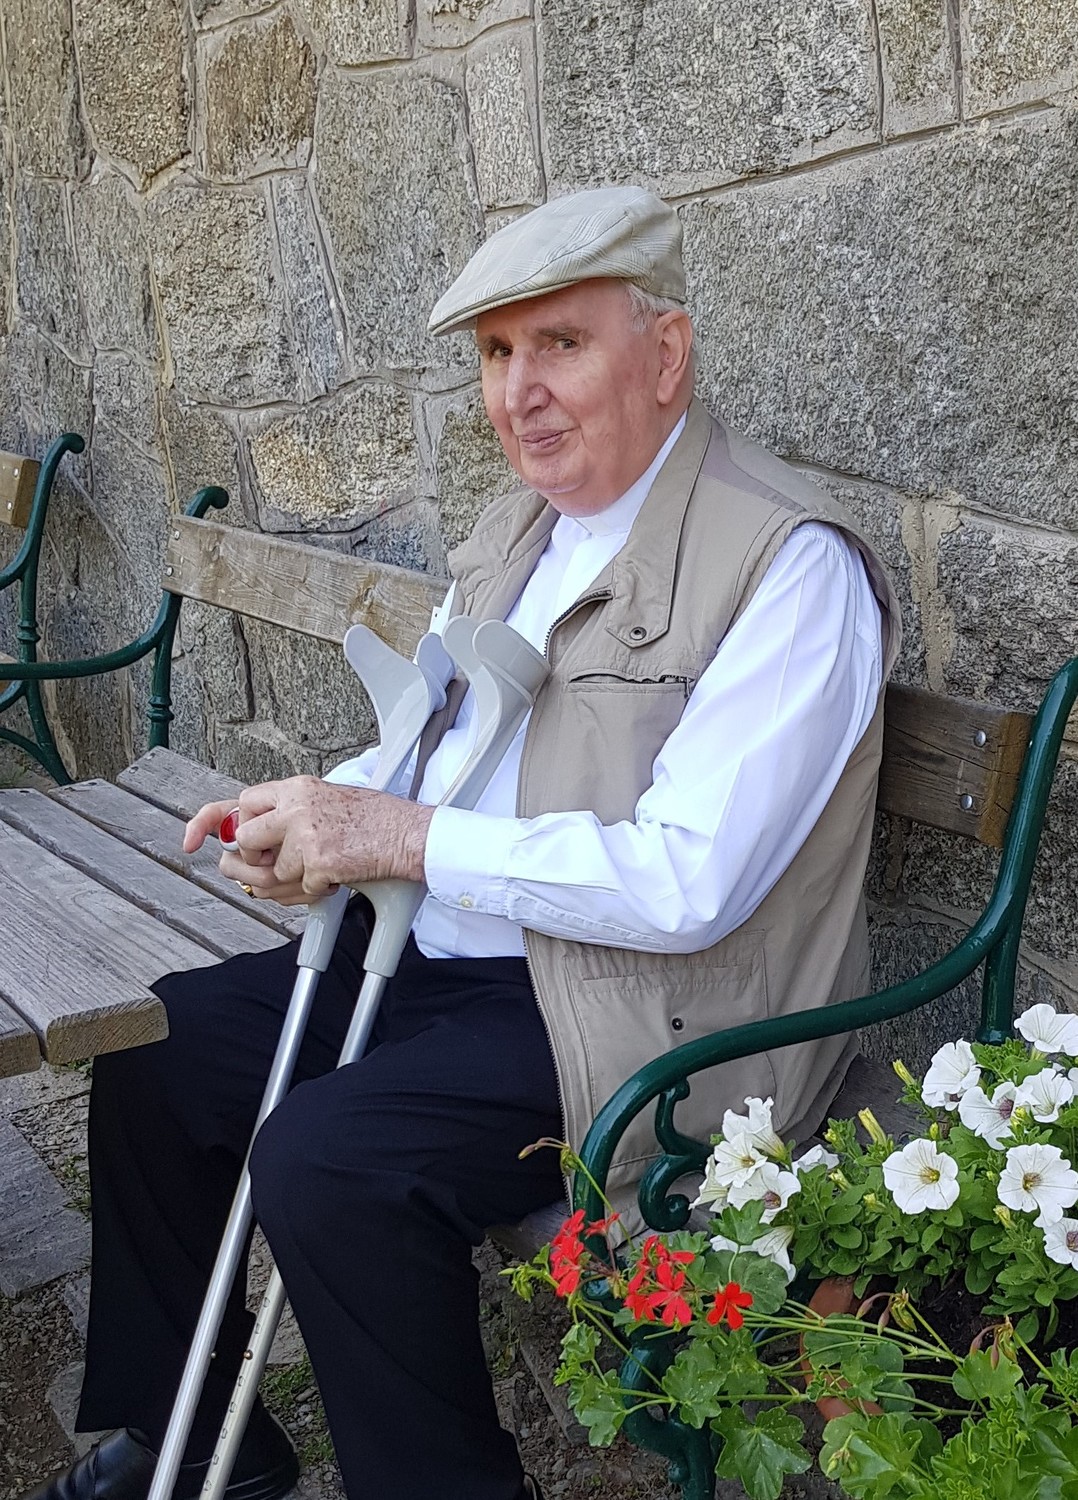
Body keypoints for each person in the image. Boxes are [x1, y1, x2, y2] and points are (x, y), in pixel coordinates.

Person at [26, 187, 899, 1500]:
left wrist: (404, 836)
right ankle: (195, 1441)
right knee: (163, 1051)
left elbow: (688, 883)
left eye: (560, 345)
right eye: (496, 354)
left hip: (642, 1015)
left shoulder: (786, 565)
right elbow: (430, 746)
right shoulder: (518, 534)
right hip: (452, 964)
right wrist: (318, 812)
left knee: (331, 1163)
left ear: (665, 354)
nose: (518, 393)